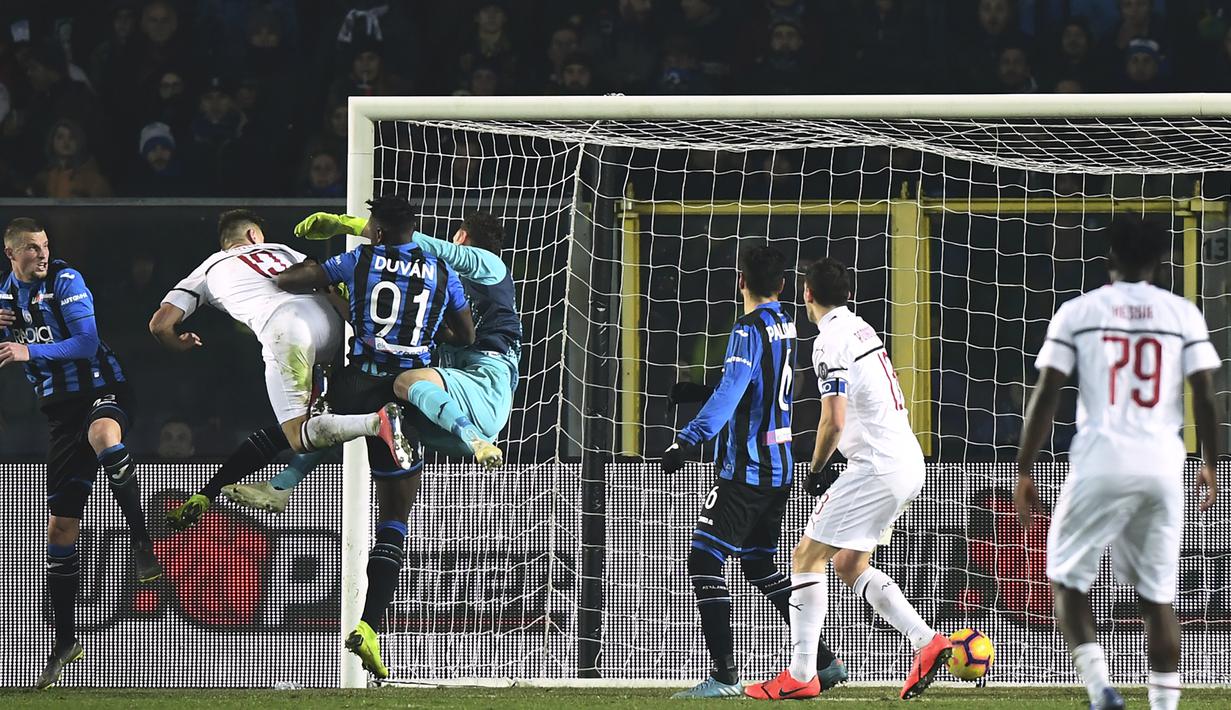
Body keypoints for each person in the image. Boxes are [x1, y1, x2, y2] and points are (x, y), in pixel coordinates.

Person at [1015, 214, 1221, 710]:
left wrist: (1024, 468)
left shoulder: (1078, 312)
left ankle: (1101, 689)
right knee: (1159, 600)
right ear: (1162, 261)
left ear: (1108, 257)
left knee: (1066, 579)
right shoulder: (1182, 314)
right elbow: (1207, 397)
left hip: (1100, 459)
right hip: (1162, 465)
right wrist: (1211, 462)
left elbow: (1047, 395)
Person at [274, 195, 476, 679]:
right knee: (393, 520)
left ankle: (282, 482)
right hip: (403, 394)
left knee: (307, 430)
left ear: (379, 231)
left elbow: (292, 280)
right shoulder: (442, 270)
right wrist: (428, 332)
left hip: (356, 383)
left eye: (370, 226)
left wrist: (311, 274)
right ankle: (369, 625)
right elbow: (465, 334)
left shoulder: (360, 259)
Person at [745, 257, 950, 701]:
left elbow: (832, 422)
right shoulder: (862, 328)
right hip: (906, 460)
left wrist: (816, 470)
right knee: (847, 563)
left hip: (876, 466)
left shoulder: (829, 342)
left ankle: (801, 674)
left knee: (805, 556)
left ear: (807, 295)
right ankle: (927, 640)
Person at [223, 209, 515, 514]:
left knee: (406, 380)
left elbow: (425, 246)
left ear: (461, 237)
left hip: (484, 387)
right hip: (447, 408)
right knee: (353, 408)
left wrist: (343, 224)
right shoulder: (439, 286)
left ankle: (475, 440)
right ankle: (281, 487)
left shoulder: (489, 265)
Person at [149, 209, 416, 530]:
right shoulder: (284, 250)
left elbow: (160, 325)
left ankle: (377, 423)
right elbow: (331, 282)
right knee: (320, 420)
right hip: (333, 331)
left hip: (288, 330)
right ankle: (253, 489)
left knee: (300, 436)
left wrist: (179, 342)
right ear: (253, 236)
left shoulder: (208, 268)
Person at [661, 246, 845, 699]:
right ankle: (824, 661)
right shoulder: (787, 322)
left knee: (704, 558)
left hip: (748, 469)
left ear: (739, 281)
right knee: (759, 562)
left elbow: (734, 389)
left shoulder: (745, 330)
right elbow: (760, 384)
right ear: (782, 287)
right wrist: (705, 388)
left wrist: (688, 438)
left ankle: (725, 676)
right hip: (780, 465)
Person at [0, 217, 160, 689]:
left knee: (104, 437)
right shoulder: (5, 300)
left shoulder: (66, 281)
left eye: (45, 245)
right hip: (59, 413)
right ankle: (66, 639)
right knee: (61, 526)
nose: (42, 254)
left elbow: (87, 342)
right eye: (31, 248)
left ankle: (141, 542)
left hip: (102, 387)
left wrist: (30, 353)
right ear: (12, 254)